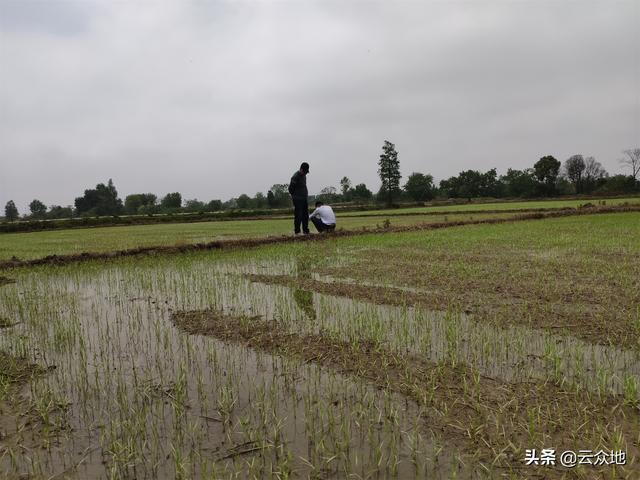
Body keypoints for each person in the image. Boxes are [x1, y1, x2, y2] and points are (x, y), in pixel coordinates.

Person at [288, 162, 310, 234]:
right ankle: (297, 231)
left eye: (306, 172)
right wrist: (295, 196)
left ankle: (305, 230)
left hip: (304, 198)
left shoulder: (304, 176)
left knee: (305, 215)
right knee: (298, 215)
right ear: (301, 169)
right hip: (297, 199)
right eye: (305, 171)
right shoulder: (295, 177)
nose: (306, 173)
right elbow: (291, 189)